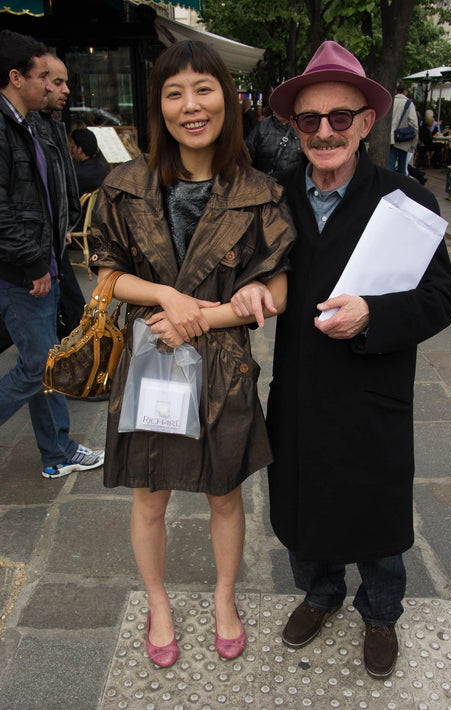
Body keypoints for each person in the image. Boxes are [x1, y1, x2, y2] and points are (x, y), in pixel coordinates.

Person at [231, 40, 451, 679]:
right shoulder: (275, 200)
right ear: (294, 127)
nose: (325, 131)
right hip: (301, 388)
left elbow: (440, 301)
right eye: (310, 120)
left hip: (373, 389)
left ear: (365, 123)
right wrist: (247, 288)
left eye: (340, 118)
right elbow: (254, 273)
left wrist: (375, 315)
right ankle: (320, 594)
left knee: (375, 509)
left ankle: (381, 612)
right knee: (305, 501)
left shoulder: (407, 204)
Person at [89, 40, 295, 668]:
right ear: (159, 106)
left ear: (226, 101)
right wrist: (164, 298)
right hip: (151, 363)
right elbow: (104, 273)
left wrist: (199, 318)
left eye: (203, 89)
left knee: (224, 493)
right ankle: (157, 602)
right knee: (149, 494)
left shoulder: (260, 191)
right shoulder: (125, 186)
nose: (190, 105)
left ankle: (225, 597)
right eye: (174, 92)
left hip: (223, 369)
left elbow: (279, 291)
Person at [0, 30, 105, 478]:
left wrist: (54, 239)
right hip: (24, 273)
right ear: (16, 77)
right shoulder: (9, 127)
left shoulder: (31, 125)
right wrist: (31, 264)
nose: (54, 87)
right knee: (41, 364)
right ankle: (58, 450)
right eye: (45, 77)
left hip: (41, 263)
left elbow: (39, 197)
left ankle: (57, 452)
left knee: (47, 362)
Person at [28, 53, 86, 338]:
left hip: (52, 240)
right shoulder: (29, 128)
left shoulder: (51, 126)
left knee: (72, 314)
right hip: (37, 246)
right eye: (57, 81)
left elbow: (57, 185)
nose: (66, 90)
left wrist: (63, 225)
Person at [389, 82, 418, 174]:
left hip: (390, 138)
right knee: (402, 167)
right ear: (405, 91)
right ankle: (400, 186)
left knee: (391, 165)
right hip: (404, 138)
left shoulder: (390, 101)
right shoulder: (409, 104)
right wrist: (414, 143)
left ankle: (390, 184)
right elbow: (414, 124)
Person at [70, 127, 108, 194]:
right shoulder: (102, 168)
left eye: (73, 147)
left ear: (79, 149)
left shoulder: (76, 174)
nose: (72, 150)